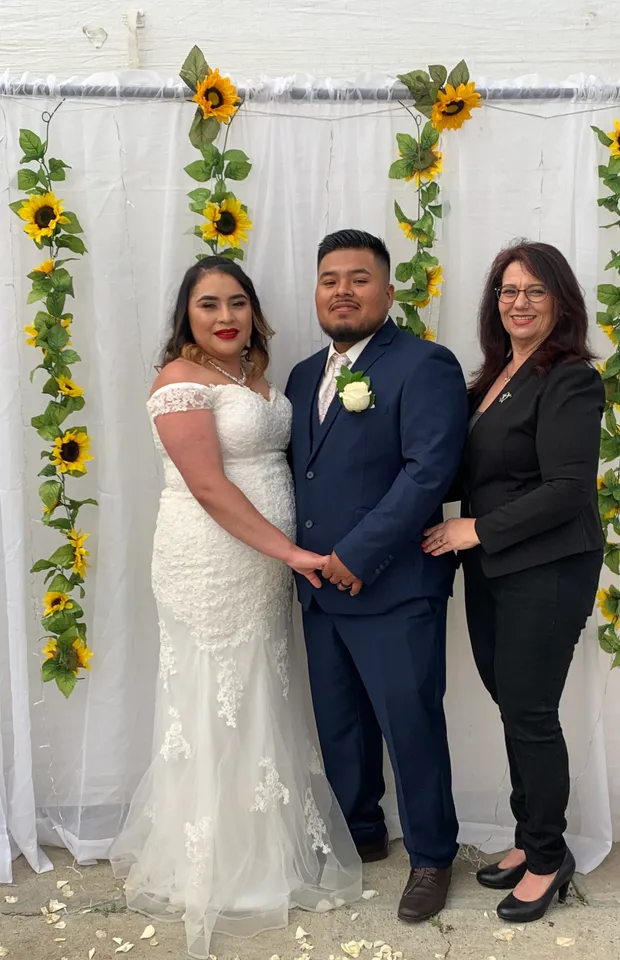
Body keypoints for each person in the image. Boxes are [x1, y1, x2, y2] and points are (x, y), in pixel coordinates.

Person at [110, 257, 361, 960]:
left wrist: (286, 553)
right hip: (210, 558)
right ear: (185, 317)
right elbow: (210, 488)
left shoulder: (253, 377)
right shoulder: (178, 381)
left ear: (254, 311)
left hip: (265, 565)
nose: (225, 316)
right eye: (209, 304)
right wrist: (292, 552)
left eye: (237, 302)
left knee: (261, 688)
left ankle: (267, 845)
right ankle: (220, 864)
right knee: (214, 696)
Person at [285, 229, 468, 923]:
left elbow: (428, 473)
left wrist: (358, 556)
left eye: (358, 279)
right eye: (330, 279)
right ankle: (360, 831)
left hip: (392, 585)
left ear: (388, 292)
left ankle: (432, 855)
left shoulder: (425, 364)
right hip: (318, 588)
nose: (342, 291)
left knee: (409, 725)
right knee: (340, 725)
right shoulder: (303, 375)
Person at [423, 240, 604, 923]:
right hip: (496, 568)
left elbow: (567, 488)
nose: (519, 302)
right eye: (508, 290)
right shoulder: (496, 376)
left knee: (530, 713)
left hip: (547, 569)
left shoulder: (570, 378)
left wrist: (474, 529)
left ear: (560, 301)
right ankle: (531, 840)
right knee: (514, 706)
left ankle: (549, 857)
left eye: (534, 290)